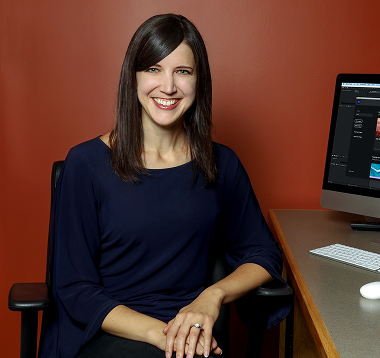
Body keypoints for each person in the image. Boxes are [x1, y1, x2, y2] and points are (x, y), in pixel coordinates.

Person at [38, 14, 290, 358]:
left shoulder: (220, 163)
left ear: (199, 81)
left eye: (182, 72)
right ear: (134, 77)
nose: (168, 87)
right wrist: (161, 334)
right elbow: (76, 288)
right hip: (108, 329)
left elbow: (263, 253)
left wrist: (211, 297)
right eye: (154, 69)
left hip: (190, 332)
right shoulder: (85, 164)